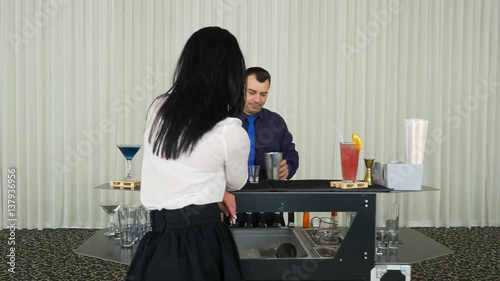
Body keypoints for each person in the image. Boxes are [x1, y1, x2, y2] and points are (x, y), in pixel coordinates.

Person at [126, 26, 249, 281]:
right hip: (202, 240)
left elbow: (173, 165)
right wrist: (219, 189)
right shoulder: (229, 130)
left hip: (158, 236)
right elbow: (236, 182)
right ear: (232, 74)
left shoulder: (158, 109)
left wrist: (212, 187)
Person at [238, 67, 299, 227]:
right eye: (252, 92)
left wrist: (289, 166)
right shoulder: (225, 120)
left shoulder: (275, 122)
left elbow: (291, 153)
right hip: (232, 207)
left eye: (263, 94)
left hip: (269, 209)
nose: (258, 99)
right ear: (241, 89)